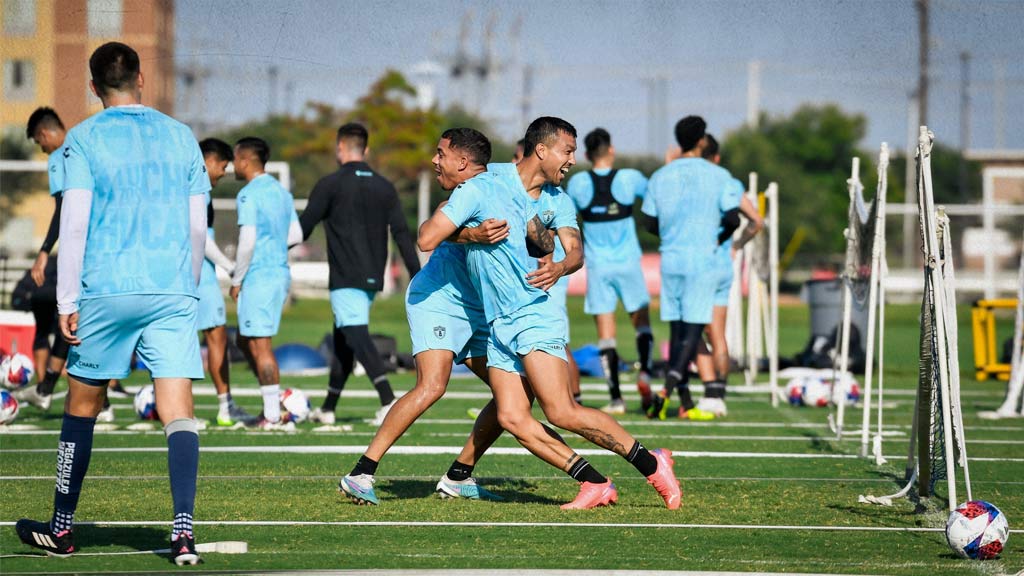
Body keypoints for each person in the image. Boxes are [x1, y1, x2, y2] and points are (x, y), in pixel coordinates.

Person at [420, 117, 681, 510]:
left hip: (533, 316)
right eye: (568, 151)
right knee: (510, 416)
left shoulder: (558, 199)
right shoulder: (485, 185)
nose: (573, 160)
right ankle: (593, 482)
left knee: (560, 410)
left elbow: (575, 251)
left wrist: (561, 266)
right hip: (497, 322)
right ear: (541, 150)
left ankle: (652, 463)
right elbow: (427, 237)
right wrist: (471, 233)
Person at [15, 42, 209, 564]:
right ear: (141, 78)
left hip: (106, 288)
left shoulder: (81, 139)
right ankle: (184, 533)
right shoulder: (182, 136)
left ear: (94, 86)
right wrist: (187, 285)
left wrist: (65, 299)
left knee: (81, 409)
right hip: (171, 288)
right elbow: (198, 223)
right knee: (178, 413)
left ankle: (61, 527)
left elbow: (74, 224)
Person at [340, 127, 546, 504]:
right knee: (433, 385)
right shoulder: (463, 193)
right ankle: (361, 473)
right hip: (437, 300)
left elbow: (539, 233)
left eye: (440, 153)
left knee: (516, 393)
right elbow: (426, 238)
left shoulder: (503, 183)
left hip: (477, 309)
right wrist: (473, 236)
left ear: (463, 161)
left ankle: (458, 476)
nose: (435, 160)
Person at [300, 123, 421, 426]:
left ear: (340, 148)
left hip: (345, 275)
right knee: (343, 338)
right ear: (365, 150)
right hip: (371, 276)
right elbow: (403, 234)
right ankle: (328, 407)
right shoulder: (384, 186)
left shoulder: (330, 184)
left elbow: (302, 229)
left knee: (355, 332)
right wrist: (417, 275)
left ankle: (388, 400)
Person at [16, 108, 118, 422]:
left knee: (74, 317)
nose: (42, 148)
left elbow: (65, 208)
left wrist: (45, 250)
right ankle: (50, 390)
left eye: (38, 142)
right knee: (80, 320)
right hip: (109, 246)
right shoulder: (89, 145)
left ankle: (90, 402)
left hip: (85, 251)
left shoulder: (62, 155)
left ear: (44, 135)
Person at [643, 117, 741, 421]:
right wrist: (715, 238)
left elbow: (648, 221)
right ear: (702, 141)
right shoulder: (720, 175)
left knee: (677, 330)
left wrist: (672, 234)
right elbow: (733, 219)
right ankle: (669, 388)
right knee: (694, 330)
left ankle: (684, 401)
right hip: (704, 260)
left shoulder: (660, 175)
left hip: (671, 259)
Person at [566, 128, 654, 414]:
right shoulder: (630, 178)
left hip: (599, 265)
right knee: (641, 323)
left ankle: (616, 397)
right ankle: (645, 376)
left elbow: (566, 214)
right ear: (611, 150)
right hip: (628, 262)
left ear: (588, 155)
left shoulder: (579, 182)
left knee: (606, 332)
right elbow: (655, 199)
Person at [230, 137, 303, 430]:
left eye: (235, 159)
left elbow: (247, 241)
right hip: (279, 273)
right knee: (245, 340)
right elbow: (296, 234)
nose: (233, 165)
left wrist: (237, 277)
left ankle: (272, 415)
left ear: (246, 160)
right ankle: (273, 399)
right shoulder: (282, 193)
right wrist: (273, 248)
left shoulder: (248, 194)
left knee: (260, 345)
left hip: (259, 275)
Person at [693, 134, 763, 417]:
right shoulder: (729, 182)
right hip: (722, 264)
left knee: (692, 331)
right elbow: (756, 222)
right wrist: (736, 245)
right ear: (717, 157)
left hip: (696, 264)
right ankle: (718, 394)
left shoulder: (694, 181)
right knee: (718, 332)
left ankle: (709, 390)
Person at [196, 138, 253, 427]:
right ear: (208, 160)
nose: (223, 172)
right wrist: (232, 267)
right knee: (216, 335)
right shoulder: (199, 190)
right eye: (222, 166)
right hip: (198, 276)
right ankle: (225, 407)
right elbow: (202, 239)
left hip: (178, 273)